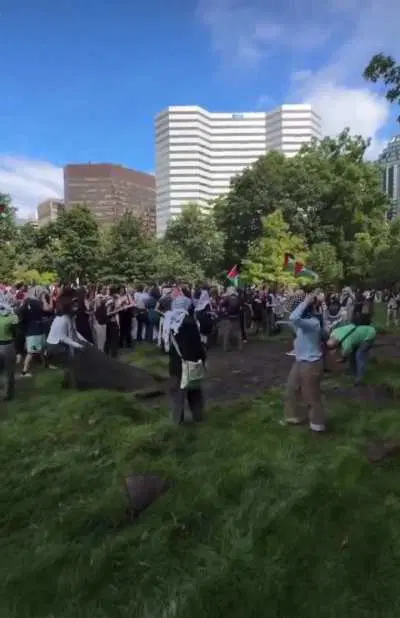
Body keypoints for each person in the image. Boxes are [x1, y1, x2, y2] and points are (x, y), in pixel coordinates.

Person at [283, 292, 326, 433]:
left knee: (311, 396)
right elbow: (293, 319)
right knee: (291, 388)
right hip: (300, 361)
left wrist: (306, 301)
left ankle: (317, 426)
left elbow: (293, 317)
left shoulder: (312, 323)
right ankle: (295, 417)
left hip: (311, 363)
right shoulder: (304, 322)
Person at [166, 295, 206, 424]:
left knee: (177, 394)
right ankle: (198, 417)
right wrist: (202, 359)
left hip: (176, 363)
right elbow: (197, 345)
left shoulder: (169, 321)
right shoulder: (190, 322)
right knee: (194, 392)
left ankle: (176, 421)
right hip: (191, 362)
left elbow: (167, 345)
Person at [46, 293, 90, 388]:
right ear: (68, 307)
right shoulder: (63, 319)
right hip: (56, 345)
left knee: (69, 364)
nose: (76, 308)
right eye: (73, 306)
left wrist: (85, 341)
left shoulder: (68, 317)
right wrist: (78, 346)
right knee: (71, 364)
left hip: (57, 343)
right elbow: (63, 337)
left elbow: (74, 332)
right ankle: (75, 385)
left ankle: (67, 383)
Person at [327, 315, 376, 384]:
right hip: (358, 334)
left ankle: (359, 379)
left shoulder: (346, 343)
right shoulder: (333, 332)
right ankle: (353, 372)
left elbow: (345, 352)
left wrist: (343, 359)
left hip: (368, 335)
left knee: (359, 356)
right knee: (352, 354)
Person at [0, 298, 19, 401]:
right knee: (9, 371)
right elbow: (16, 324)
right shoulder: (11, 319)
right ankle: (7, 394)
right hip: (8, 346)